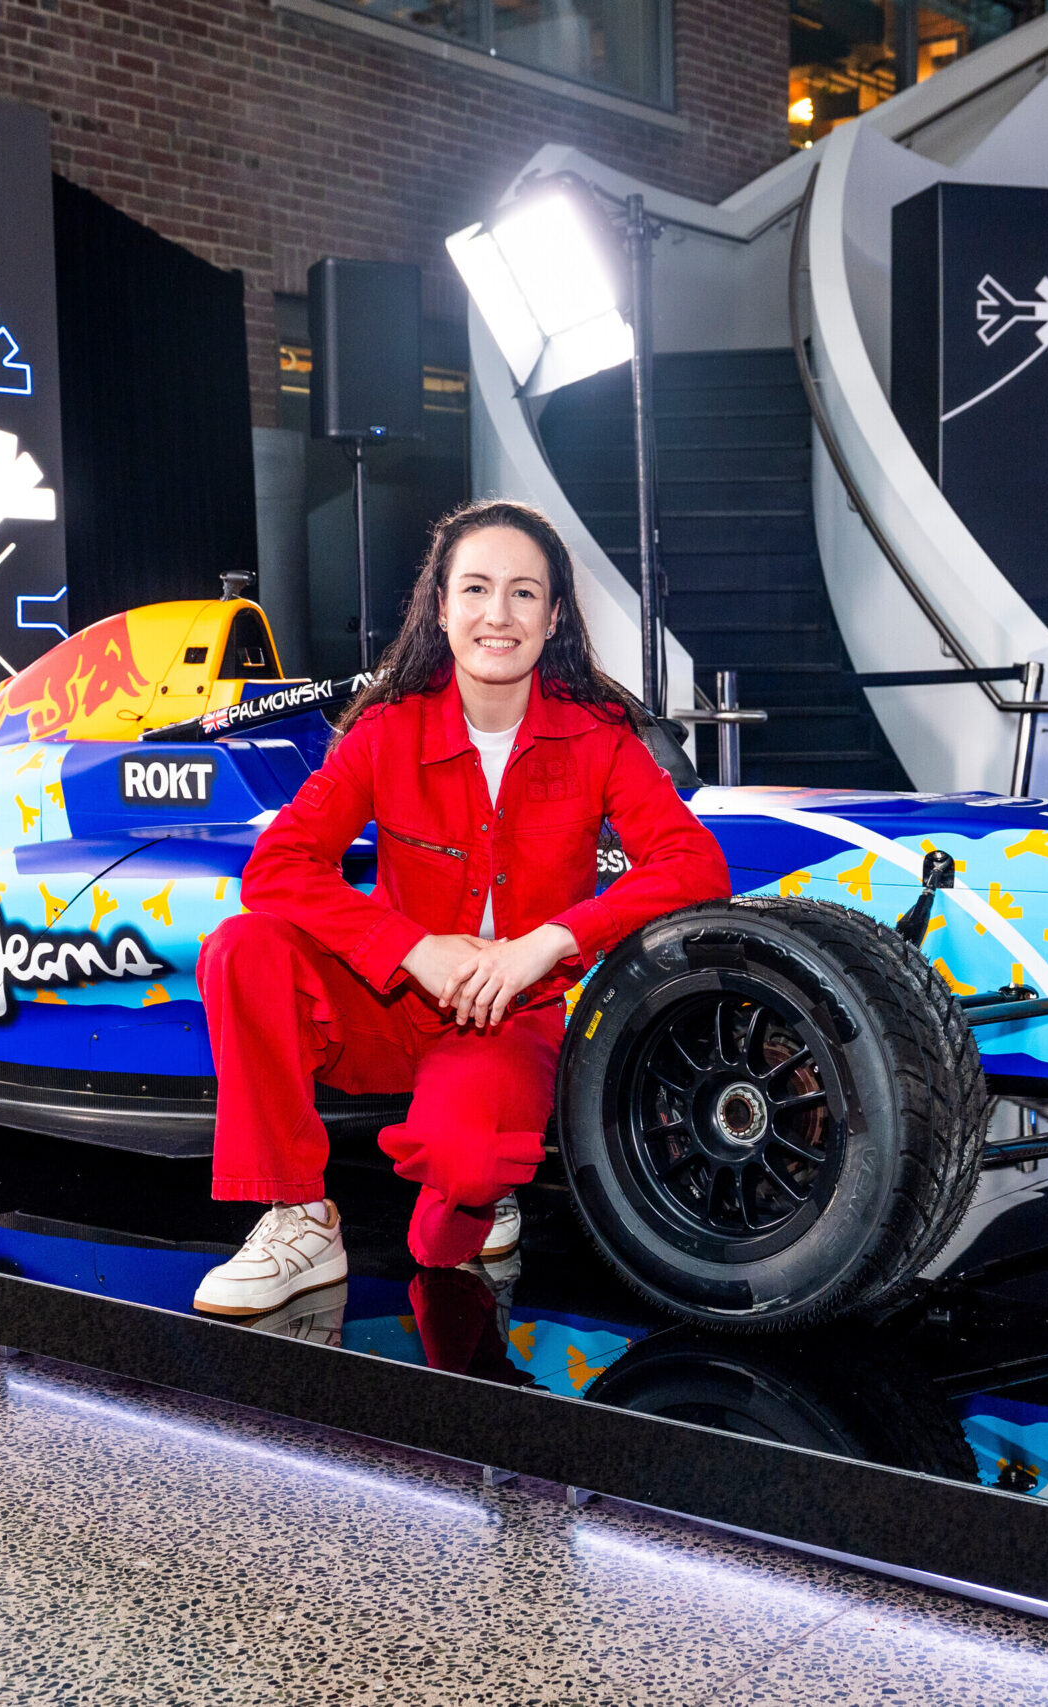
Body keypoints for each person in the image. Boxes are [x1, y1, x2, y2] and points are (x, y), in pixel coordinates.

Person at [193, 500, 730, 1315]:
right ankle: (299, 1216)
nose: (497, 614)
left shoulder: (599, 735)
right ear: (440, 608)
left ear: (554, 618)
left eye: (523, 593)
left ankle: (481, 1170)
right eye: (476, 589)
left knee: (455, 1206)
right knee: (244, 946)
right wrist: (410, 947)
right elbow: (279, 866)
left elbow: (694, 863)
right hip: (388, 1007)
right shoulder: (384, 728)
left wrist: (550, 940)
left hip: (512, 1019)